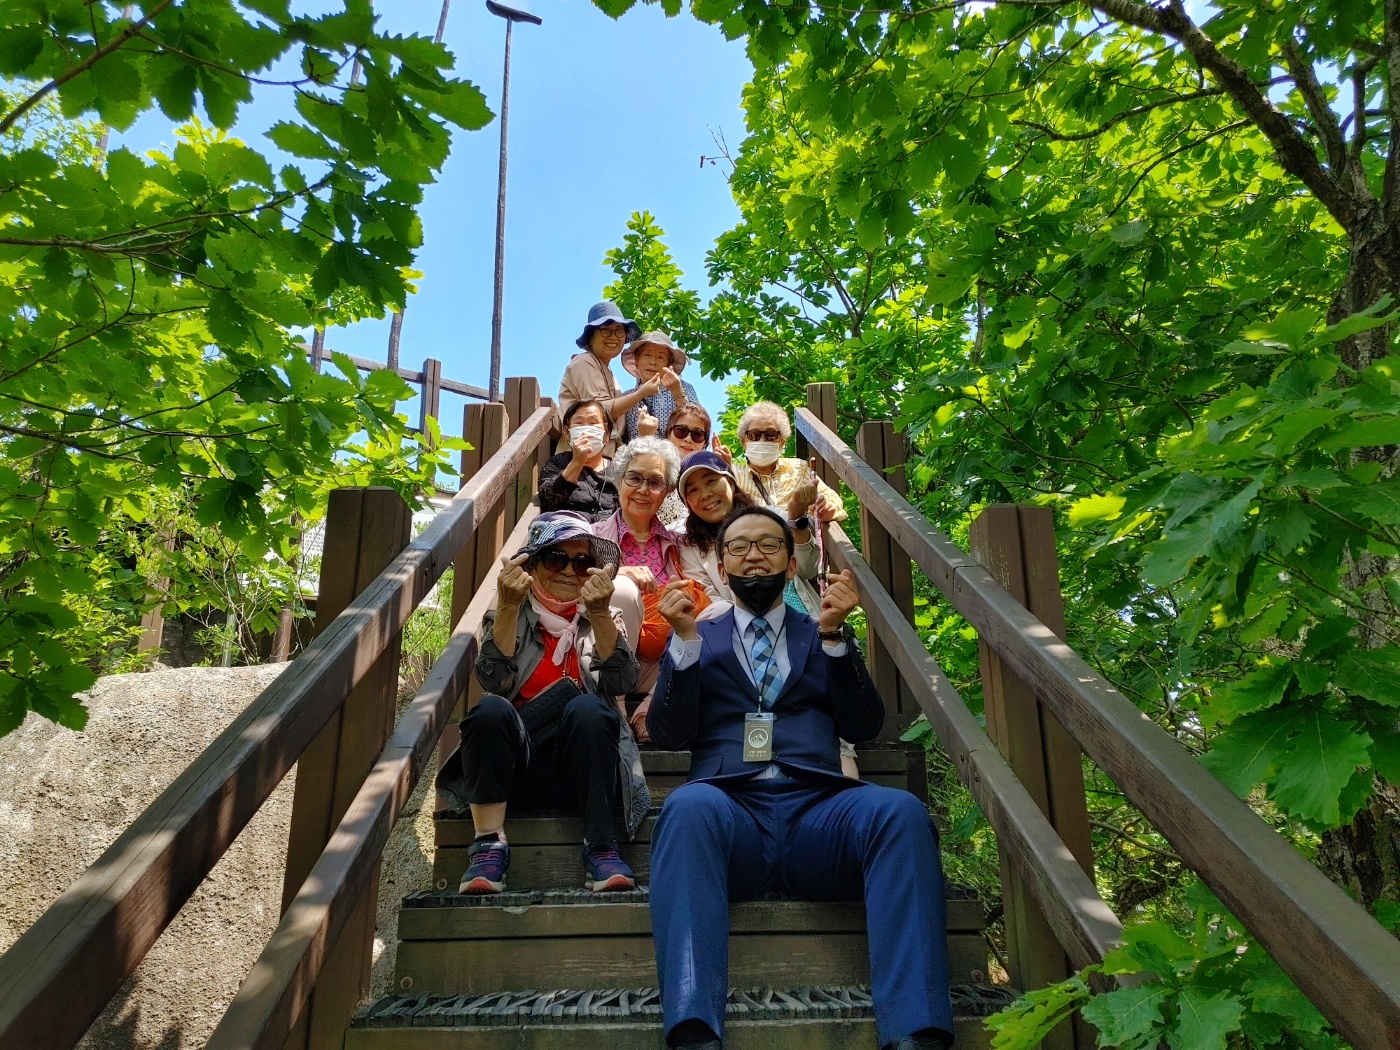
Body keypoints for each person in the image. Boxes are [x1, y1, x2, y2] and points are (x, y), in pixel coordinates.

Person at [646, 506, 953, 1050]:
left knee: (901, 812)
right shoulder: (698, 634)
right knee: (686, 807)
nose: (754, 556)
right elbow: (668, 733)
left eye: (769, 545)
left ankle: (916, 1030)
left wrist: (835, 637)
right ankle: (694, 1030)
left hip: (820, 815)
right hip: (731, 816)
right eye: (739, 547)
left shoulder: (821, 632)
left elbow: (864, 724)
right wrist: (684, 641)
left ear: (791, 565)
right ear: (722, 566)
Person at [436, 512, 648, 895]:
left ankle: (601, 846)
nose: (568, 571)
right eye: (555, 559)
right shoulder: (510, 613)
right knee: (490, 710)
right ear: (532, 565)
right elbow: (493, 680)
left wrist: (599, 613)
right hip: (518, 770)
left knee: (588, 709)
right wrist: (507, 607)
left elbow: (622, 681)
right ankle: (488, 846)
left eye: (581, 562)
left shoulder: (604, 615)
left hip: (585, 769)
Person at [675, 449, 861, 780]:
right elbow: (709, 601)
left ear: (730, 481)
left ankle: (842, 781)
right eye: (692, 490)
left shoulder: (771, 517)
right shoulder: (690, 546)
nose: (705, 494)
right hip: (744, 637)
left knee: (835, 726)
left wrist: (796, 518)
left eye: (711, 481)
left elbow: (806, 567)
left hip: (803, 624)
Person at [593, 436, 711, 742]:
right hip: (605, 659)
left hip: (661, 665)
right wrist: (618, 574)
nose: (643, 490)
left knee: (713, 607)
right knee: (621, 588)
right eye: (634, 478)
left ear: (668, 491)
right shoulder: (590, 538)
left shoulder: (680, 543)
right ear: (619, 480)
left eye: (655, 482)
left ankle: (649, 708)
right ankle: (616, 705)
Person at [556, 301, 659, 451]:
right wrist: (641, 393)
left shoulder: (608, 372)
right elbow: (601, 411)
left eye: (619, 331)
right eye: (605, 330)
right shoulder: (584, 362)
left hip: (605, 455)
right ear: (591, 337)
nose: (613, 337)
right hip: (582, 453)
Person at [731, 401, 846, 527]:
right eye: (754, 435)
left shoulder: (799, 469)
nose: (762, 441)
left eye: (770, 435)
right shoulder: (732, 473)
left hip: (796, 537)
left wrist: (827, 507)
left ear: (782, 442)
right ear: (744, 442)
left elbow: (830, 497)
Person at [539, 399, 619, 522]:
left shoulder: (618, 469)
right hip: (568, 530)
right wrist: (576, 462)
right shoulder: (556, 463)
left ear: (607, 435)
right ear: (567, 433)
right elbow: (548, 502)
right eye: (579, 423)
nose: (586, 430)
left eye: (593, 422)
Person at [621, 331, 700, 443]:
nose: (653, 362)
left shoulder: (684, 388)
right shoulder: (627, 397)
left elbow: (699, 425)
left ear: (668, 364)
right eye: (647, 355)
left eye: (660, 357)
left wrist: (677, 392)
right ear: (637, 360)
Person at [655, 402, 718, 529]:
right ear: (668, 434)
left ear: (704, 443)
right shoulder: (653, 473)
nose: (688, 439)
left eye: (697, 434)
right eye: (681, 431)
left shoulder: (714, 476)